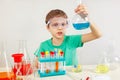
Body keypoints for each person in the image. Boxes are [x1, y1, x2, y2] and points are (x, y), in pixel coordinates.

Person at [34, 4, 102, 68]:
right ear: (48, 28)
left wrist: (87, 18)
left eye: (63, 24)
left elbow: (97, 35)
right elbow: (36, 65)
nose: (60, 28)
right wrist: (39, 66)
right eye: (55, 25)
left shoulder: (72, 40)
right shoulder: (43, 45)